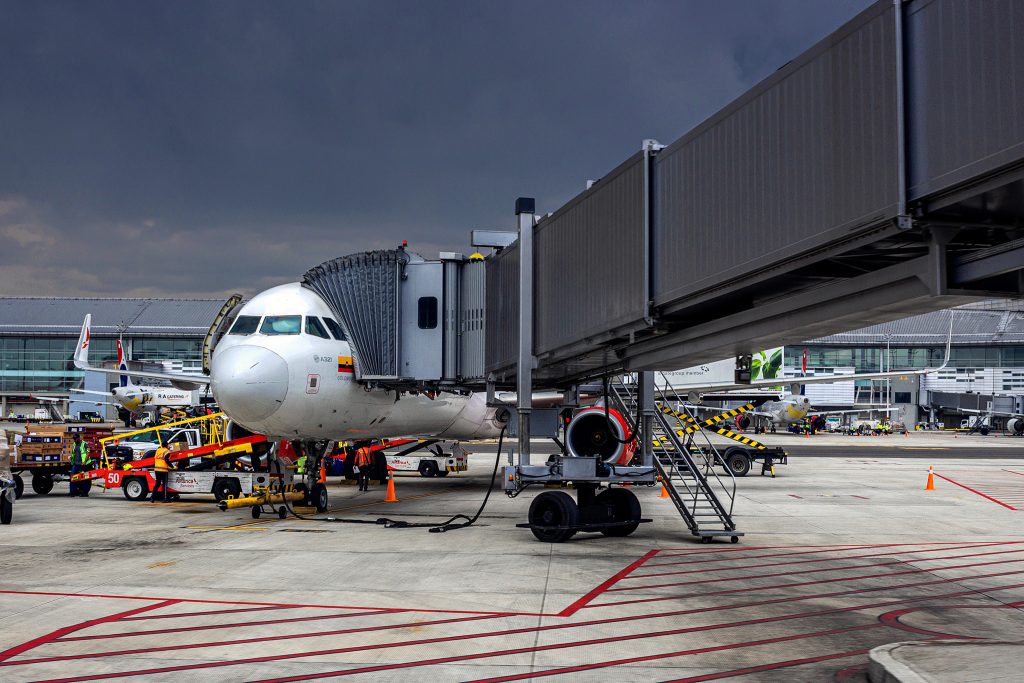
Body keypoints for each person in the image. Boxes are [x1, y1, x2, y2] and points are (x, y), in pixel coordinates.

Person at [68, 432, 92, 497]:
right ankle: (72, 492)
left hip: (83, 464)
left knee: (84, 478)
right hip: (75, 463)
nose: (75, 440)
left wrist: (85, 461)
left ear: (79, 438)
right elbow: (73, 453)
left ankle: (85, 492)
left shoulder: (84, 444)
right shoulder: (74, 444)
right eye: (74, 439)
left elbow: (88, 452)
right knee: (73, 477)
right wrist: (71, 458)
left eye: (75, 439)